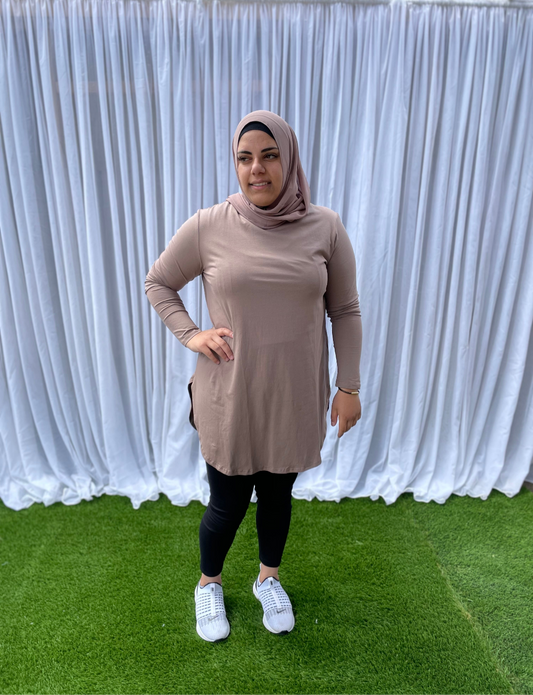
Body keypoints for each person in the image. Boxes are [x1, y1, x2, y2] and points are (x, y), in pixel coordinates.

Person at [144, 110, 362, 643]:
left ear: (289, 159)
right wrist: (191, 334)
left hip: (294, 396)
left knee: (278, 498)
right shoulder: (210, 225)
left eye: (269, 155)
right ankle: (209, 583)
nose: (256, 169)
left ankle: (268, 578)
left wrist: (349, 386)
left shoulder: (325, 227)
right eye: (244, 158)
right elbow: (158, 283)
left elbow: (345, 310)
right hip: (229, 396)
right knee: (228, 503)